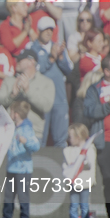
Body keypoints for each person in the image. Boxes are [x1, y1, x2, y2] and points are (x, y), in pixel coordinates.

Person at [0, 100, 40, 218]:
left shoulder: (27, 129)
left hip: (23, 169)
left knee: (23, 195)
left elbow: (36, 146)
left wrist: (26, 141)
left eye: (11, 112)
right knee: (8, 195)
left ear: (16, 114)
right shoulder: (12, 128)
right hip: (11, 167)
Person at [0, 49, 55, 144]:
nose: (16, 62)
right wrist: (12, 95)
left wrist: (28, 91)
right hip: (9, 132)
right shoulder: (9, 80)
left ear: (31, 61)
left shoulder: (46, 82)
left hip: (33, 133)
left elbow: (46, 107)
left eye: (20, 60)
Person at [29, 16, 73, 147]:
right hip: (41, 99)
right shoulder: (32, 48)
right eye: (45, 30)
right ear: (39, 31)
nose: (48, 33)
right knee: (39, 138)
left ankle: (61, 166)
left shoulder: (58, 48)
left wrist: (60, 57)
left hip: (59, 98)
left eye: (51, 30)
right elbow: (35, 70)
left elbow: (69, 70)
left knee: (61, 139)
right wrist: (51, 59)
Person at [83, 54, 110, 218]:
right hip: (105, 142)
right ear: (107, 71)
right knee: (109, 181)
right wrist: (108, 106)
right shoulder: (95, 89)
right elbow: (89, 111)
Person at [63, 123, 96, 218]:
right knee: (73, 204)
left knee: (84, 204)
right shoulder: (68, 150)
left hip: (85, 182)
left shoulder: (89, 149)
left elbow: (90, 163)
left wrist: (84, 161)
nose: (69, 139)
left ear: (78, 137)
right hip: (74, 182)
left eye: (71, 136)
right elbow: (66, 165)